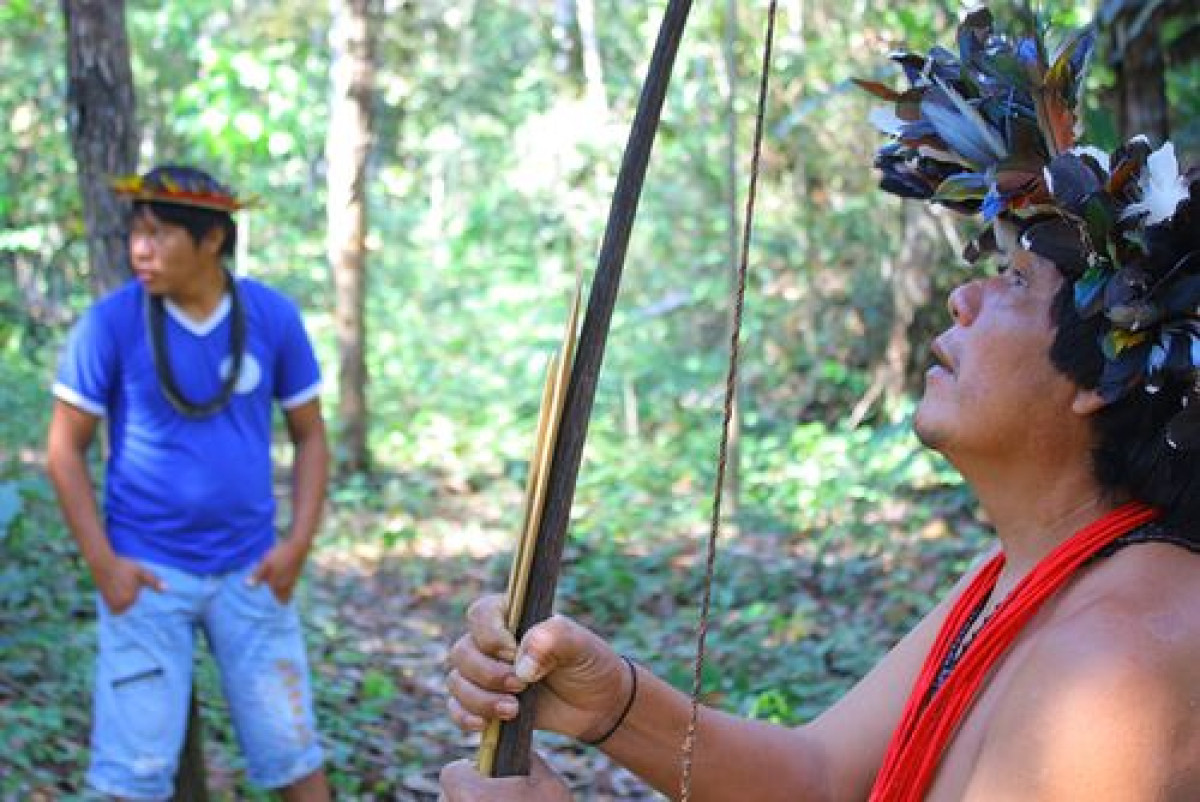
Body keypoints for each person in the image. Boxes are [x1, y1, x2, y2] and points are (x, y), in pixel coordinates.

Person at [440, 8, 1200, 800]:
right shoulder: (1020, 574)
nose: (960, 299)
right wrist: (615, 704)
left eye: (1011, 281)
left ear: (1101, 373)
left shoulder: (1119, 663)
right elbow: (821, 778)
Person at [45, 165, 332, 801]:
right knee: (131, 776)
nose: (139, 250)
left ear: (211, 241)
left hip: (252, 573)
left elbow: (311, 434)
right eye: (135, 233)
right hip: (145, 579)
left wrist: (297, 547)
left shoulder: (272, 317)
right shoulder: (110, 325)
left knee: (295, 755)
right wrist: (105, 566)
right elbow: (65, 449)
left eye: (159, 234)